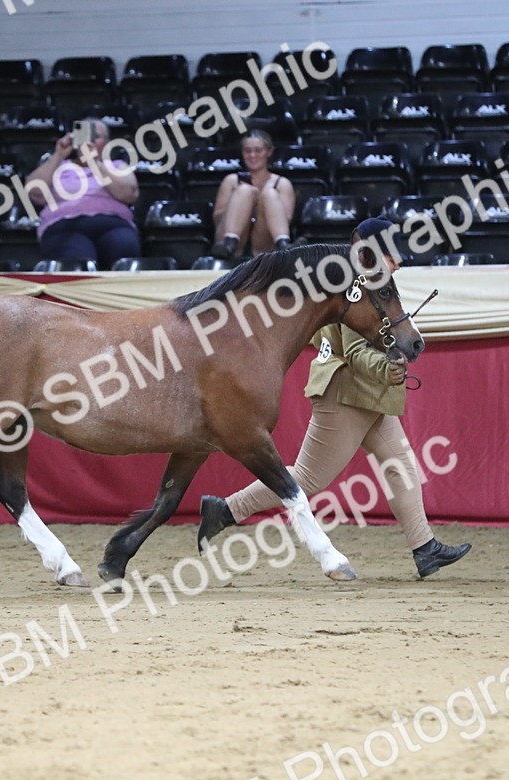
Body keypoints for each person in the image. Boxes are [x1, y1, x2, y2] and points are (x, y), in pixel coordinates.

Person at [197, 216, 472, 578]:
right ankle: (225, 511)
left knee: (400, 466)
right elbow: (354, 351)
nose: (400, 261)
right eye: (392, 254)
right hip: (345, 393)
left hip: (367, 396)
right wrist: (385, 368)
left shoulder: (349, 281)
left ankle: (425, 549)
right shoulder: (357, 291)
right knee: (309, 478)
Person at [24, 118, 140, 269]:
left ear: (106, 143)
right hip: (64, 226)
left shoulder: (116, 165)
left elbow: (128, 194)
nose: (88, 141)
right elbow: (34, 193)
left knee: (123, 248)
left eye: (95, 136)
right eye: (84, 135)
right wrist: (58, 155)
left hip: (113, 223)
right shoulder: (58, 167)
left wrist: (95, 163)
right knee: (74, 260)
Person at [211, 129, 296, 258]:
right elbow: (217, 219)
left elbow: (287, 219)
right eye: (247, 151)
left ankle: (284, 245)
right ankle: (229, 245)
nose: (252, 155)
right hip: (231, 239)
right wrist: (240, 205)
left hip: (264, 240)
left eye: (258, 150)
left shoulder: (282, 183)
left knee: (269, 195)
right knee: (244, 191)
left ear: (268, 151)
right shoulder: (231, 180)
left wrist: (259, 206)